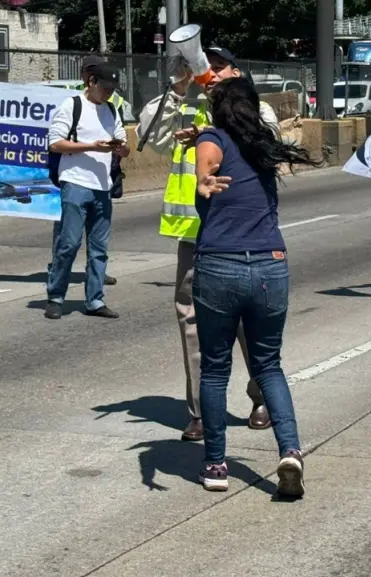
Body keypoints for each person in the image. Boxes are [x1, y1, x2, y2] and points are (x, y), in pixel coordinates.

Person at [135, 46, 282, 441]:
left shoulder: (257, 110)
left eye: (218, 68)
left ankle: (261, 395)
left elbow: (267, 143)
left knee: (248, 324)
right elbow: (149, 134)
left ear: (236, 72)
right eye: (204, 67)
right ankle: (201, 410)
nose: (209, 74)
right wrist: (177, 87)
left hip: (242, 234)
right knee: (192, 322)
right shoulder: (185, 105)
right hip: (195, 234)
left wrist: (211, 135)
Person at [193, 76, 323, 496]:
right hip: (270, 265)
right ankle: (290, 450)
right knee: (268, 365)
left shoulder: (211, 139)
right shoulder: (264, 146)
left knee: (214, 370)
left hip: (220, 265)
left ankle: (216, 465)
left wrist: (202, 180)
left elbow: (207, 162)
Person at [44, 60, 129, 320]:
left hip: (102, 186)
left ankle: (94, 300)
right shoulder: (73, 106)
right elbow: (55, 144)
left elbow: (125, 146)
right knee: (68, 243)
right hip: (75, 182)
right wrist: (91, 146)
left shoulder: (112, 110)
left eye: (112, 89)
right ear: (91, 82)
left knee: (99, 247)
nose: (108, 93)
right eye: (104, 87)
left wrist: (118, 148)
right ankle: (56, 296)